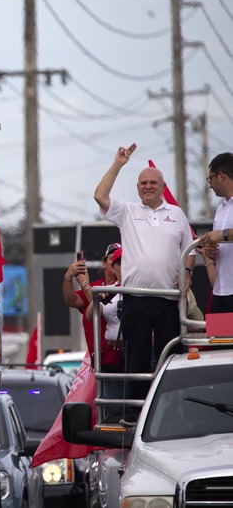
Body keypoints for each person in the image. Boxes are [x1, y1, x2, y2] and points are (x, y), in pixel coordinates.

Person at [94, 143, 195, 404]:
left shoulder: (177, 214)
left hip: (169, 298)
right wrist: (118, 164)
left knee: (171, 356)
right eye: (143, 183)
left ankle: (172, 409)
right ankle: (137, 415)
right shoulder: (128, 211)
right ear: (137, 188)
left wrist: (186, 272)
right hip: (135, 298)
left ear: (162, 186)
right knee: (136, 359)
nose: (148, 186)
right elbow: (100, 196)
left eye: (153, 182)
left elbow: (189, 251)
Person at [64, 246, 124, 419]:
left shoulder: (133, 286)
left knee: (131, 407)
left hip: (129, 356)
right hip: (106, 360)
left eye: (123, 260)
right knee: (112, 409)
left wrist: (84, 284)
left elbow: (102, 306)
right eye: (114, 259)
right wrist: (68, 278)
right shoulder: (96, 287)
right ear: (105, 264)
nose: (118, 264)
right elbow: (76, 302)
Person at [198, 152, 233, 313]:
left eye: (210, 179)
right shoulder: (220, 208)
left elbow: (222, 235)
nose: (209, 185)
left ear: (221, 176)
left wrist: (222, 235)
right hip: (220, 292)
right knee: (217, 338)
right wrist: (211, 252)